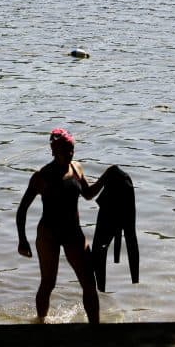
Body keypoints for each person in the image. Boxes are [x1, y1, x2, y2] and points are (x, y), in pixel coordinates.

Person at [16, 127, 110, 323]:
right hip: (48, 234)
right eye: (64, 151)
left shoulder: (76, 168)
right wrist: (22, 240)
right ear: (53, 152)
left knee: (89, 284)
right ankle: (41, 322)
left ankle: (96, 329)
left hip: (73, 232)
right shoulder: (41, 176)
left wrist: (107, 176)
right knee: (48, 283)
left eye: (71, 150)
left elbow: (88, 194)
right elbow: (22, 209)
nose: (69, 155)